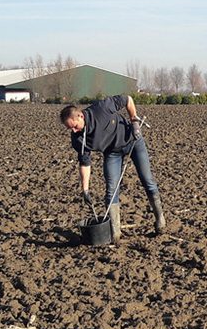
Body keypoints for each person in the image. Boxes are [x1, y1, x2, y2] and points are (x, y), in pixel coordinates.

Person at [59, 95, 166, 240]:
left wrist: (134, 120)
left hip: (133, 140)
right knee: (111, 189)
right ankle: (115, 233)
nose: (74, 131)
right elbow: (85, 163)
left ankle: (160, 220)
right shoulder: (78, 139)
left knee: (147, 180)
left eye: (74, 126)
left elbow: (128, 99)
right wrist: (85, 189)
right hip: (112, 153)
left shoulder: (101, 108)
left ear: (80, 116)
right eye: (69, 129)